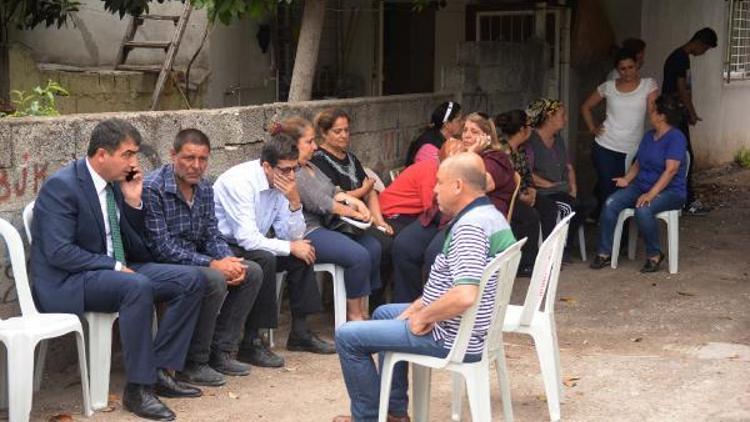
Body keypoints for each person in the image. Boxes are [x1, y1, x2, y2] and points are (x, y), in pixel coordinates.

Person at [31, 118, 205, 421]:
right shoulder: (63, 187)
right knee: (135, 287)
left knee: (191, 279)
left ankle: (161, 370)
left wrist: (133, 201)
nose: (133, 162)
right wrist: (112, 265)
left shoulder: (114, 187)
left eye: (135, 155)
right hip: (69, 281)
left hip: (111, 271)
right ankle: (138, 389)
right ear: (102, 154)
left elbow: (133, 245)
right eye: (127, 154)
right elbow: (59, 252)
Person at [333, 152, 516, 422]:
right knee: (385, 312)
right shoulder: (490, 215)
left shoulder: (470, 227)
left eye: (439, 182)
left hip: (451, 333)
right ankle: (394, 412)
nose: (434, 189)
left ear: (458, 186)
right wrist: (420, 305)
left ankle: (369, 418)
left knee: (348, 337)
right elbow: (450, 285)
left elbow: (465, 294)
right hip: (467, 325)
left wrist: (422, 316)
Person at [142, 129, 264, 386]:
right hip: (163, 264)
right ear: (173, 155)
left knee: (250, 271)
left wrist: (229, 261)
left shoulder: (205, 189)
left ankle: (221, 351)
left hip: (197, 259)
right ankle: (194, 361)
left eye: (202, 159)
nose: (196, 166)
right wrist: (212, 264)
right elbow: (161, 247)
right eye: (188, 158)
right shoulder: (153, 188)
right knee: (213, 278)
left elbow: (211, 235)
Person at [213, 132, 336, 360]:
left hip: (253, 241)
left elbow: (293, 234)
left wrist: (294, 202)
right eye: (285, 170)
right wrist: (290, 247)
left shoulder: (284, 184)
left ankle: (300, 332)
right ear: (267, 167)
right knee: (266, 257)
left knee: (303, 251)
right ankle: (251, 340)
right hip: (223, 245)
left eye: (294, 169)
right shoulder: (240, 183)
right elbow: (246, 238)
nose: (291, 176)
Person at [283, 116, 381, 322]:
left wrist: (360, 205)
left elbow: (334, 191)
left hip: (326, 226)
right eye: (309, 142)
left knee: (373, 246)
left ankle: (363, 309)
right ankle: (354, 316)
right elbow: (322, 203)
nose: (315, 146)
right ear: (294, 145)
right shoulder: (295, 172)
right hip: (306, 231)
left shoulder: (310, 166)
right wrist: (355, 213)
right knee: (358, 255)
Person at [591, 95, 688, 273]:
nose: (648, 113)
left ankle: (654, 254)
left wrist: (651, 194)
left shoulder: (676, 137)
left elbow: (671, 170)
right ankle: (604, 252)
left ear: (662, 116)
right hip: (641, 186)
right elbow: (638, 163)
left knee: (643, 209)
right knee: (610, 203)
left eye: (652, 110)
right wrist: (627, 179)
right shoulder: (649, 136)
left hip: (670, 191)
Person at [311, 107, 394, 308]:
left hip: (360, 218)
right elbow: (333, 199)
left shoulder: (350, 158)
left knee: (390, 240)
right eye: (337, 131)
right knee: (380, 246)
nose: (344, 136)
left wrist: (379, 221)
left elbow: (370, 191)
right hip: (337, 222)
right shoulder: (318, 161)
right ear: (324, 133)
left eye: (346, 130)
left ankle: (373, 302)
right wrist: (362, 191)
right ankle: (368, 303)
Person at [582, 48, 659, 215]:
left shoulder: (649, 85)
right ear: (617, 70)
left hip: (634, 148)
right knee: (608, 191)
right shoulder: (608, 87)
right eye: (622, 68)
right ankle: (610, 234)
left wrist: (658, 137)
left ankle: (624, 234)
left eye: (631, 67)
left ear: (637, 65)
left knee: (629, 191)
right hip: (605, 146)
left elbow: (654, 113)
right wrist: (592, 128)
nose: (627, 72)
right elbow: (586, 107)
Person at [527, 98, 597, 260]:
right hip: (545, 191)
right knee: (570, 205)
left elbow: (568, 166)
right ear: (549, 118)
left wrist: (573, 187)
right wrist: (551, 185)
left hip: (562, 189)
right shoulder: (531, 141)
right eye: (562, 116)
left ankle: (568, 241)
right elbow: (528, 173)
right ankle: (560, 248)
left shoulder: (558, 139)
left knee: (589, 202)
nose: (565, 119)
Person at [662, 27, 717, 216]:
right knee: (685, 157)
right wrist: (692, 112)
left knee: (682, 156)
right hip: (674, 114)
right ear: (700, 43)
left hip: (675, 114)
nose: (704, 53)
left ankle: (682, 198)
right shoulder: (680, 57)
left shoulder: (679, 56)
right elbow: (682, 89)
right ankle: (685, 200)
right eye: (706, 49)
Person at [495, 109, 557, 277]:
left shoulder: (520, 149)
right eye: (529, 126)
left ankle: (548, 255)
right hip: (507, 198)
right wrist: (521, 196)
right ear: (522, 129)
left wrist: (532, 191)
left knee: (549, 208)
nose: (531, 129)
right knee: (529, 216)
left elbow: (527, 174)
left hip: (524, 194)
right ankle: (526, 264)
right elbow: (503, 182)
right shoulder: (500, 150)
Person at [379, 138, 463, 233]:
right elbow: (431, 210)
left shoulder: (437, 169)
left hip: (408, 212)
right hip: (392, 212)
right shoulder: (431, 173)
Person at [403, 101, 463, 166]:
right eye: (458, 120)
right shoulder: (431, 143)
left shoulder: (444, 138)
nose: (462, 123)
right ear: (447, 124)